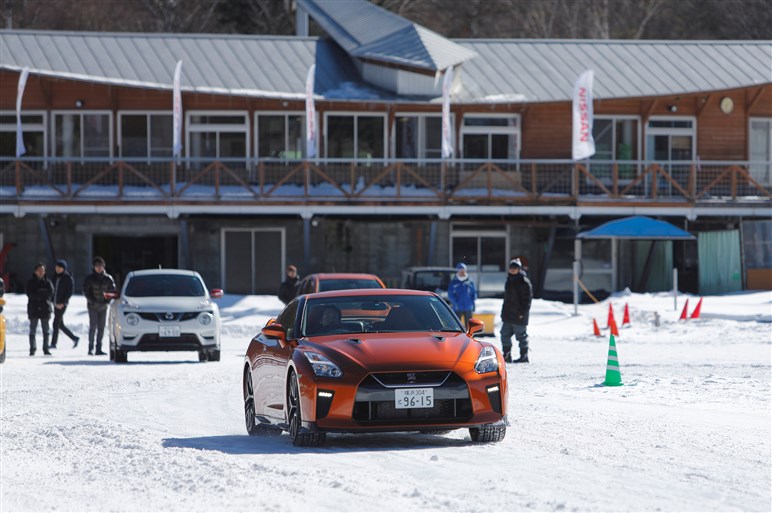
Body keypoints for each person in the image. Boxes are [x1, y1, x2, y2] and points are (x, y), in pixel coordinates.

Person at [500, 258, 533, 363]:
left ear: (519, 269)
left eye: (515, 268)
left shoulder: (524, 282)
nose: (513, 270)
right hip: (508, 315)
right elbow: (506, 299)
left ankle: (524, 356)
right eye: (511, 267)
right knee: (504, 335)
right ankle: (507, 355)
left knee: (521, 336)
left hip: (519, 316)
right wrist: (503, 313)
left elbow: (527, 301)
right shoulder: (508, 281)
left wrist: (522, 314)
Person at [82, 256, 116, 356]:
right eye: (97, 266)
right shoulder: (89, 279)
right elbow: (86, 291)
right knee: (93, 327)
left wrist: (107, 301)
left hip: (103, 306)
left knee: (101, 328)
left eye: (100, 266)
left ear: (103, 267)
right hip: (92, 306)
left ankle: (99, 348)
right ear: (93, 267)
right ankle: (90, 348)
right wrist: (93, 301)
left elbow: (112, 290)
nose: (99, 268)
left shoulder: (108, 278)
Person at [50, 259, 80, 349]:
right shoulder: (54, 277)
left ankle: (53, 343)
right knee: (60, 324)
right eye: (57, 267)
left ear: (64, 268)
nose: (58, 269)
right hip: (55, 303)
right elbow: (52, 290)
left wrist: (63, 302)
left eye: (60, 267)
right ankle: (74, 338)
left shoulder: (68, 278)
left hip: (62, 304)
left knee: (55, 323)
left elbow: (70, 292)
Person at [26, 262, 54, 356]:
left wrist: (38, 292)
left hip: (45, 309)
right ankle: (32, 349)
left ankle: (46, 348)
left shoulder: (48, 282)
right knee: (32, 330)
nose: (41, 272)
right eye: (39, 270)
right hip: (33, 308)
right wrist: (41, 293)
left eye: (43, 270)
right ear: (35, 271)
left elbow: (50, 292)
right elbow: (30, 293)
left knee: (46, 330)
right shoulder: (31, 282)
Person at [447, 262, 477, 329]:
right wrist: (456, 303)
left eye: (464, 271)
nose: (463, 273)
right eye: (461, 271)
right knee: (457, 326)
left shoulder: (470, 282)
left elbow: (474, 293)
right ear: (458, 271)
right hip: (457, 308)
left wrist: (472, 301)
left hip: (468, 307)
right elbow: (450, 295)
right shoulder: (454, 282)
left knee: (469, 326)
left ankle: (469, 338)